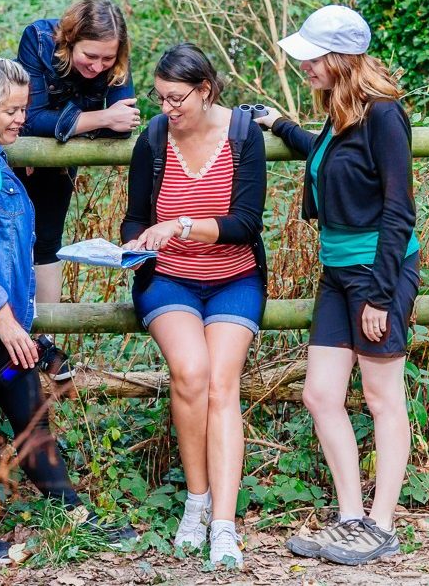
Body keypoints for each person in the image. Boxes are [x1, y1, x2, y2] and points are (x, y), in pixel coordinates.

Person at [0, 56, 133, 565]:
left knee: (31, 421)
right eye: (11, 110)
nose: (20, 118)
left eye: (23, 108)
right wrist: (6, 321)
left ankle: (77, 516)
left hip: (1, 322)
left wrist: (14, 320)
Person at [253, 6, 421, 566]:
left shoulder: (384, 117)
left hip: (379, 274)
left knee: (380, 397)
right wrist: (279, 126)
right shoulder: (339, 112)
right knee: (321, 394)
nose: (303, 65)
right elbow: (326, 158)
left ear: (341, 59)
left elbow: (400, 212)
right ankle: (351, 517)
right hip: (336, 274)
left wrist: (379, 294)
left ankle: (381, 525)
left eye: (311, 57)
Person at [120, 43, 267, 568]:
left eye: (177, 98)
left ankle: (225, 525)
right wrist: (134, 245)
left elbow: (246, 224)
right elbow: (135, 217)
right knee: (191, 373)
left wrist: (183, 225)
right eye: (160, 98)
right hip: (170, 282)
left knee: (223, 383)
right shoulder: (154, 140)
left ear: (205, 90)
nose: (167, 109)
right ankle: (196, 503)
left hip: (234, 278)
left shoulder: (244, 137)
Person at [17, 0, 139, 306]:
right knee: (7, 240)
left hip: (60, 163)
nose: (98, 66)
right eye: (90, 55)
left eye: (107, 59)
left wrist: (67, 126)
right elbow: (30, 118)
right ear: (70, 40)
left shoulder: (116, 58)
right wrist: (100, 118)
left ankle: (44, 339)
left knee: (46, 243)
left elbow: (123, 124)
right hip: (14, 152)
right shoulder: (38, 39)